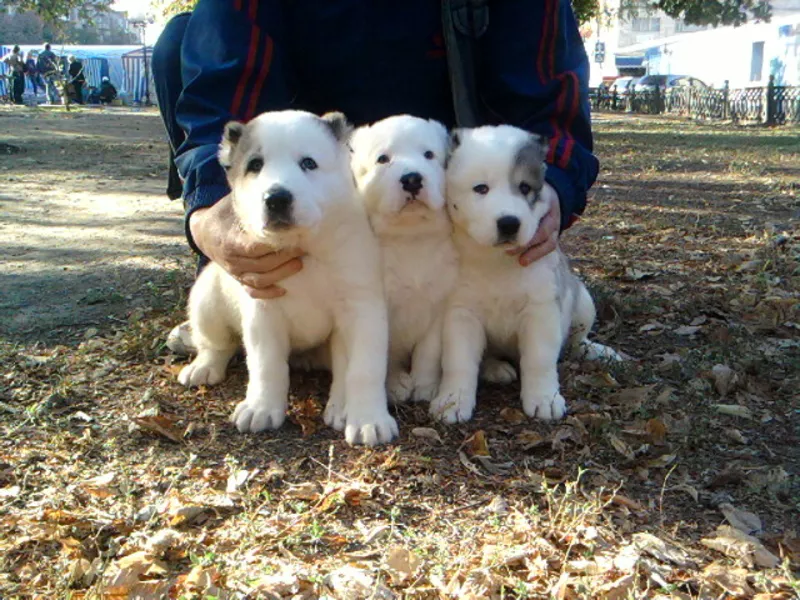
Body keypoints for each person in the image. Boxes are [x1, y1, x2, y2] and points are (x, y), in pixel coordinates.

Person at [152, 0, 598, 352]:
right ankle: (245, 279)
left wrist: (552, 183)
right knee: (181, 39)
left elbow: (548, 98)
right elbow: (222, 85)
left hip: (441, 163)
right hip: (309, 166)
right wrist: (212, 207)